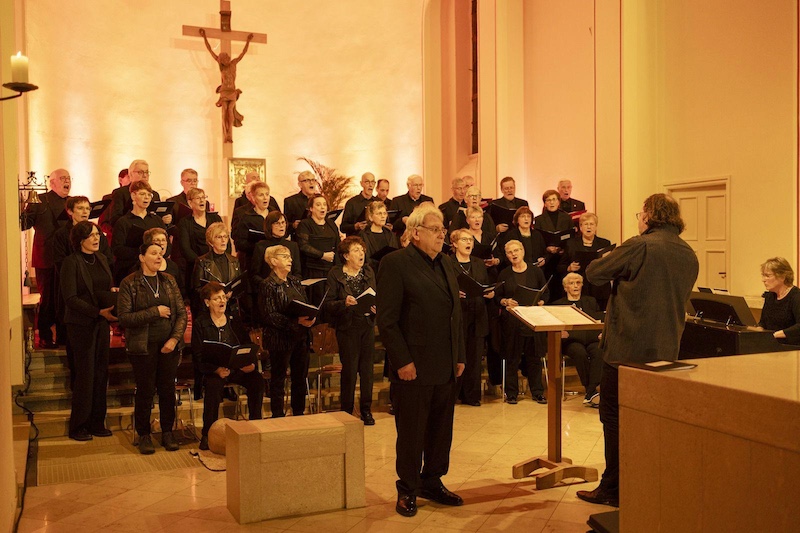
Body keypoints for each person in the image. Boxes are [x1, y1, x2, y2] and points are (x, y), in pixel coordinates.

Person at [578, 193, 699, 508]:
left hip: (626, 350)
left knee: (614, 416)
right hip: (666, 351)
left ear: (649, 216)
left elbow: (594, 273)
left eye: (639, 214)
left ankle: (613, 487)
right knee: (650, 420)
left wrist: (612, 258)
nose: (638, 219)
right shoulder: (688, 253)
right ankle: (644, 483)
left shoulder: (641, 244)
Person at [376, 203, 466, 518]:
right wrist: (402, 361)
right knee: (412, 432)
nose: (442, 235)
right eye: (435, 230)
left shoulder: (446, 264)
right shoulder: (395, 263)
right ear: (416, 233)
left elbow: (456, 315)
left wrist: (460, 355)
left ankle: (432, 481)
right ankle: (408, 489)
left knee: (441, 430)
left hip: (445, 363)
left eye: (443, 230)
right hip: (413, 366)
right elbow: (387, 321)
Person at [117, 242, 188, 455]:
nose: (159, 257)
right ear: (142, 257)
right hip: (143, 346)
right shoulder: (130, 283)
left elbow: (181, 314)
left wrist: (174, 340)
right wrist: (154, 312)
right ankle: (144, 434)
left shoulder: (168, 280)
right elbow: (124, 318)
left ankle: (168, 431)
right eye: (153, 253)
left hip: (168, 345)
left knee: (167, 390)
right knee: (146, 390)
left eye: (161, 253)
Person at [59, 221, 116, 441]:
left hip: (101, 323)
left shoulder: (101, 258)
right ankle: (79, 425)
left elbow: (103, 288)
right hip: (80, 324)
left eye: (98, 234)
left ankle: (96, 422)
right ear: (80, 239)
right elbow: (70, 298)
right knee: (85, 375)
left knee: (101, 373)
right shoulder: (70, 263)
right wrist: (97, 311)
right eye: (91, 235)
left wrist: (112, 297)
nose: (97, 238)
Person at [192, 282, 264, 450]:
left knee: (257, 381)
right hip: (213, 370)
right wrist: (216, 370)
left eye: (223, 297)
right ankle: (207, 434)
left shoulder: (233, 320)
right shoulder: (201, 323)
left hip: (236, 367)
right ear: (207, 302)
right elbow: (198, 356)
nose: (222, 301)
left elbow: (246, 345)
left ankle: (255, 427)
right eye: (217, 298)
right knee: (213, 387)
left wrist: (250, 363)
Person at [324, 237, 377, 424]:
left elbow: (376, 295)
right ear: (346, 255)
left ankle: (366, 410)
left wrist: (375, 307)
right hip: (347, 326)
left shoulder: (368, 271)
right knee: (350, 370)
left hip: (366, 325)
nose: (361, 253)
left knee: (367, 370)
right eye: (356, 250)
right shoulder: (335, 273)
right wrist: (343, 303)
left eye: (362, 250)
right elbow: (328, 303)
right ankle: (346, 410)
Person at [258, 245, 316, 417]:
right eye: (285, 256)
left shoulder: (295, 282)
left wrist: (310, 316)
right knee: (279, 379)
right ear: (274, 261)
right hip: (280, 339)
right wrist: (295, 321)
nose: (290, 260)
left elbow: (304, 304)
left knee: (300, 378)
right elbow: (269, 315)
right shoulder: (267, 285)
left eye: (290, 256)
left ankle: (298, 412)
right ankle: (278, 415)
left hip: (301, 337)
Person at [21, 168, 71, 348]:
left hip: (67, 258)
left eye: (69, 178)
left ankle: (64, 336)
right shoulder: (40, 200)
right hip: (46, 257)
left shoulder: (72, 203)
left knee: (65, 297)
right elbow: (24, 224)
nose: (67, 181)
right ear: (52, 183)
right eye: (63, 178)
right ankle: (45, 335)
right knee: (48, 298)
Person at [495, 239, 548, 405]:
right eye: (510, 252)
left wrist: (541, 302)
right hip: (512, 321)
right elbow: (497, 296)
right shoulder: (504, 274)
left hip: (532, 319)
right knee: (512, 358)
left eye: (516, 250)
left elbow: (545, 293)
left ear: (523, 251)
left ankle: (537, 392)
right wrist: (505, 301)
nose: (514, 254)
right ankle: (511, 393)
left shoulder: (535, 272)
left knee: (534, 358)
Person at [448, 228, 492, 406]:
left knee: (474, 357)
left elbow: (485, 285)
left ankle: (471, 395)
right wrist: (453, 292)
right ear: (454, 243)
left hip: (477, 313)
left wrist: (489, 293)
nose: (468, 243)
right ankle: (453, 394)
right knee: (457, 354)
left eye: (471, 240)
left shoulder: (479, 263)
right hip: (457, 314)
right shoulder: (448, 262)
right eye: (464, 239)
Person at [552, 273, 603, 404]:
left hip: (591, 338)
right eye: (571, 283)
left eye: (578, 283)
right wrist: (560, 332)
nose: (575, 286)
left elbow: (598, 320)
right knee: (580, 353)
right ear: (565, 287)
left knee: (599, 351)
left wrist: (601, 332)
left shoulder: (590, 301)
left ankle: (590, 391)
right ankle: (590, 390)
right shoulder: (558, 304)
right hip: (571, 341)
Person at [199, 28, 254, 143]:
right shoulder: (222, 67)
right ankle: (226, 135)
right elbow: (210, 50)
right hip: (224, 92)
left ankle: (229, 135)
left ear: (228, 58)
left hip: (232, 92)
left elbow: (243, 53)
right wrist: (204, 36)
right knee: (224, 113)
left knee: (230, 110)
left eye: (225, 59)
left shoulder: (234, 63)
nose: (225, 61)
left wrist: (248, 41)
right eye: (223, 60)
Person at [111, 180, 168, 284]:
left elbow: (167, 245)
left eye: (149, 195)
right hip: (130, 268)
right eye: (142, 194)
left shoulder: (156, 220)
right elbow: (117, 249)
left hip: (156, 268)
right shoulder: (123, 222)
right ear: (133, 196)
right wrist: (143, 253)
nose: (146, 197)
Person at [558, 212, 612, 309]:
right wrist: (569, 268)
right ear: (581, 227)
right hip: (580, 287)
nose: (589, 227)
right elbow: (560, 266)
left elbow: (610, 266)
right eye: (586, 224)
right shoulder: (571, 243)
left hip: (599, 287)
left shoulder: (604, 243)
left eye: (591, 224)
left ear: (596, 227)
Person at [177, 187, 225, 292]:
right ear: (190, 202)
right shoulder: (185, 223)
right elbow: (185, 249)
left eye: (203, 197)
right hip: (196, 268)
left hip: (218, 265)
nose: (202, 200)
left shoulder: (215, 218)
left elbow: (226, 240)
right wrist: (202, 264)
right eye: (198, 198)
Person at [296, 194, 341, 306]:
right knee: (316, 298)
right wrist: (322, 255)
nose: (322, 207)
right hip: (312, 268)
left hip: (330, 268)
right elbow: (303, 246)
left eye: (324, 204)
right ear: (311, 208)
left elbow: (338, 244)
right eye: (318, 204)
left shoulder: (331, 224)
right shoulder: (305, 224)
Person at [106, 160, 170, 228]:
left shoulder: (154, 194)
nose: (145, 175)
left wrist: (164, 220)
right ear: (130, 174)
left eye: (146, 172)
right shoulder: (120, 193)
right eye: (140, 172)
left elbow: (157, 217)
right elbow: (115, 219)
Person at [231, 181, 278, 274]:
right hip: (254, 260)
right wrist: (258, 245)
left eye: (267, 194)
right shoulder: (246, 217)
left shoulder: (275, 214)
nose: (265, 198)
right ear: (253, 198)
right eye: (261, 195)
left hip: (274, 260)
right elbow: (239, 242)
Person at [535, 189, 573, 300]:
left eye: (554, 199)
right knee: (549, 287)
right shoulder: (539, 219)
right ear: (545, 203)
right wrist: (547, 248)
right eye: (548, 200)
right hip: (548, 259)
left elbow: (571, 237)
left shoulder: (566, 218)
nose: (551, 202)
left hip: (563, 258)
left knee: (562, 288)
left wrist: (563, 248)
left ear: (558, 201)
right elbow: (538, 239)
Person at [250, 211, 302, 287]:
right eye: (277, 223)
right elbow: (255, 275)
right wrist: (267, 285)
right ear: (269, 226)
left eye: (283, 222)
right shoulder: (261, 246)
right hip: (267, 290)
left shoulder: (293, 245)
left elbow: (297, 272)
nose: (281, 226)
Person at [759, 257, 800, 344]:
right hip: (772, 344)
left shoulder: (796, 296)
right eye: (763, 275)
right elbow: (763, 323)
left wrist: (777, 334)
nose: (763, 280)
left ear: (782, 277)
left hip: (792, 347)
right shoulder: (770, 296)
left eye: (767, 276)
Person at [143, 228, 185, 297]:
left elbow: (181, 290)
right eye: (157, 240)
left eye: (163, 240)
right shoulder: (141, 267)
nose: (161, 243)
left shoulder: (172, 266)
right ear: (148, 244)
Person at [359, 200, 399, 272]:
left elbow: (395, 254)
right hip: (372, 272)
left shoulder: (390, 234)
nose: (383, 216)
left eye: (384, 213)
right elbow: (365, 258)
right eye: (379, 213)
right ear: (370, 217)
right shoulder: (364, 235)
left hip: (389, 271)